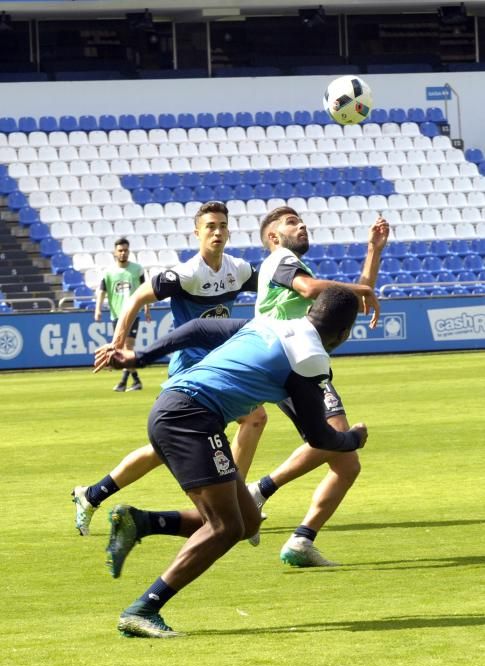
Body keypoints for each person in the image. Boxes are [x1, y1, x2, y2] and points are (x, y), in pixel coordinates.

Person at [107, 286, 369, 638]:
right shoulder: (310, 359)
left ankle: (140, 522)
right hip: (190, 420)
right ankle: (142, 609)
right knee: (225, 527)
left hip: (175, 406)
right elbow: (320, 437)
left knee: (245, 521)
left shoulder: (270, 323)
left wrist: (142, 357)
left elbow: (198, 329)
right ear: (344, 333)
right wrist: (353, 438)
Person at [72, 201, 267, 535]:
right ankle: (235, 504)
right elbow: (136, 298)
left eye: (222, 225)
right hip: (190, 369)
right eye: (210, 226)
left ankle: (92, 494)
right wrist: (119, 343)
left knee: (244, 421)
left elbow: (271, 291)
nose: (217, 232)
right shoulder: (188, 273)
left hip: (220, 367)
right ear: (197, 232)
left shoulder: (239, 269)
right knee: (248, 419)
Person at [246, 206, 389, 563]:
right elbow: (312, 289)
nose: (302, 225)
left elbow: (351, 300)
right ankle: (257, 492)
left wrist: (374, 250)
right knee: (334, 434)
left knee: (346, 465)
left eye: (301, 220)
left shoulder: (292, 266)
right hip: (293, 363)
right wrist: (356, 287)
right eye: (292, 223)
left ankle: (301, 541)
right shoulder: (280, 260)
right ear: (273, 237)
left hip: (300, 363)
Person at [94, 236, 151, 392]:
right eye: (120, 250)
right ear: (115, 252)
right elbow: (102, 291)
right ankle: (134, 381)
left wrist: (146, 308)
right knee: (124, 348)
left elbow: (144, 290)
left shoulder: (137, 269)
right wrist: (98, 309)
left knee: (127, 346)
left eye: (126, 250)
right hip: (116, 315)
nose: (123, 253)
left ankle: (125, 382)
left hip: (133, 313)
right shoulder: (108, 273)